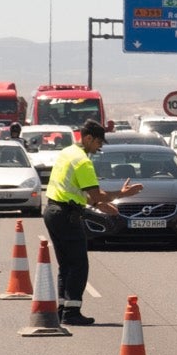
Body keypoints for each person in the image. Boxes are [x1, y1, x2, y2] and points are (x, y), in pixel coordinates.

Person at [43, 119, 142, 326]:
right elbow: (97, 193)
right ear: (88, 138)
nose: (100, 147)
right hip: (66, 214)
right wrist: (122, 194)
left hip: (53, 211)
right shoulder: (83, 161)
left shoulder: (67, 152)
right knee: (79, 263)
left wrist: (99, 204)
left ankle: (63, 309)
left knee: (66, 264)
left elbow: (76, 191)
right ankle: (72, 312)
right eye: (98, 142)